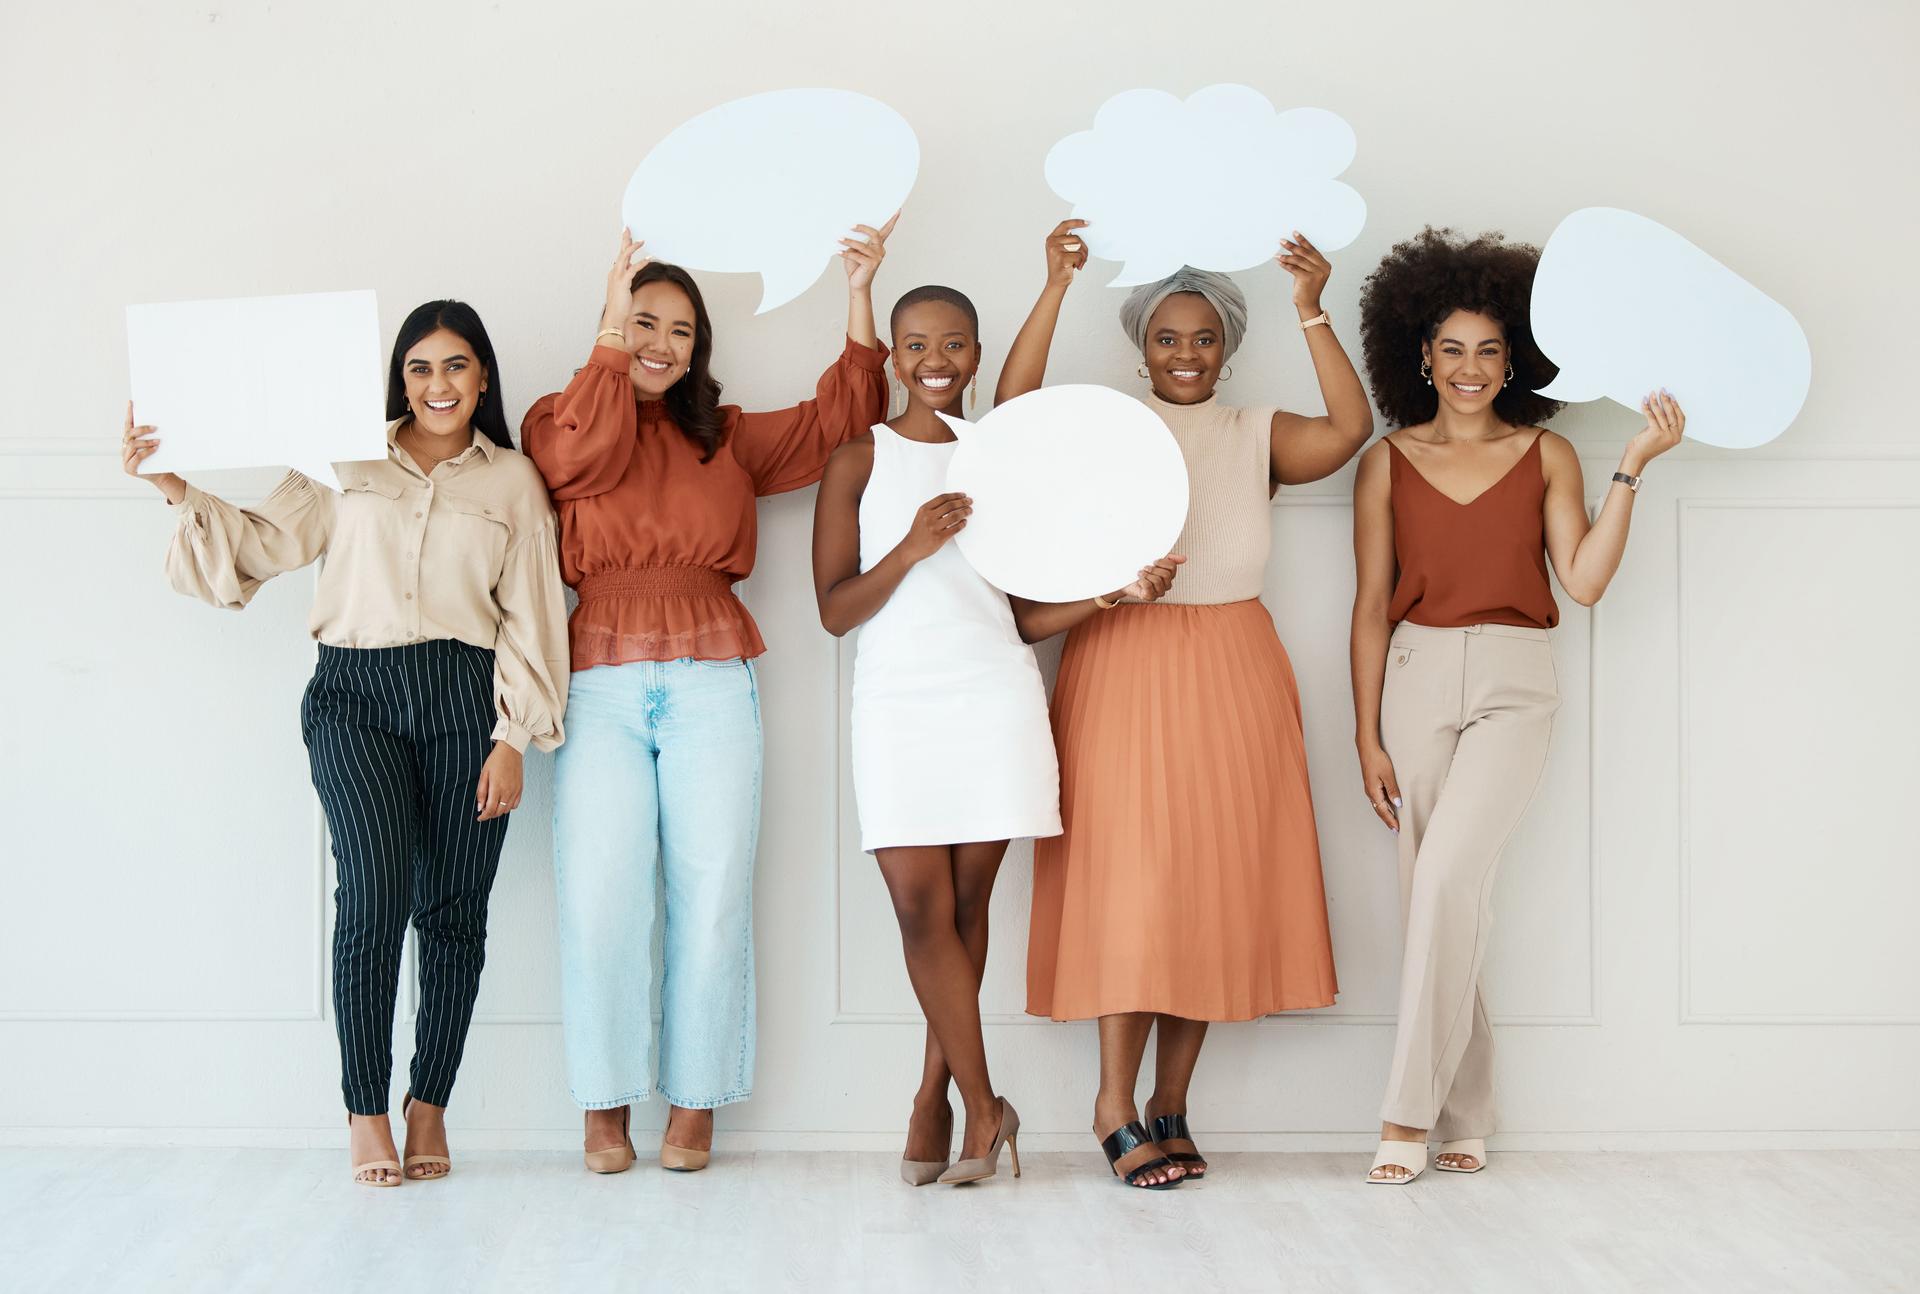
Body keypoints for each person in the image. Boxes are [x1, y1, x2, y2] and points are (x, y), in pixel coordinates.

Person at [124, 300, 568, 1186]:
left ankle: (428, 1103)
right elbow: (259, 546)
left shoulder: (513, 482)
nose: (437, 385)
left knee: (452, 915)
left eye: (454, 367)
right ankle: (365, 1110)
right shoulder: (346, 460)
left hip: (464, 702)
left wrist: (513, 736)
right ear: (399, 380)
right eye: (419, 368)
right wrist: (172, 486)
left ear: (482, 377)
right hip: (354, 696)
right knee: (371, 897)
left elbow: (534, 616)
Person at [1000, 220, 1372, 1188]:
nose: (1186, 354)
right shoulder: (1105, 428)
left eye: (1204, 337)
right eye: (1167, 338)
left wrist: (1313, 308)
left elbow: (1349, 429)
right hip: (1123, 659)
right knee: (1135, 880)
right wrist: (1053, 285)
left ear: (1229, 345)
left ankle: (1172, 1103)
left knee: (1211, 880)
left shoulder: (1256, 434)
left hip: (1237, 663)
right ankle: (1112, 1104)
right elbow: (1011, 413)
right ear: (1141, 347)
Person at [523, 221, 893, 1173]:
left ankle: (696, 1102)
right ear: (612, 324)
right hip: (598, 678)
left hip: (711, 677)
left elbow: (839, 422)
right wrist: (610, 328)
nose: (660, 342)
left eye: (680, 330)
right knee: (601, 895)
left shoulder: (725, 439)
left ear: (700, 350)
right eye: (642, 321)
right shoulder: (555, 419)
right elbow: (578, 461)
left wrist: (859, 289)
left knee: (714, 889)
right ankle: (605, 1104)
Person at [1351, 227, 1683, 1183]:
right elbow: (1370, 609)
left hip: (1514, 679)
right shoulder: (1386, 461)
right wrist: (1364, 731)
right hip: (1412, 677)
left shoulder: (1548, 455)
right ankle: (1469, 1109)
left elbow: (1580, 582)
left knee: (1450, 882)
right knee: (1430, 903)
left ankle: (1405, 1118)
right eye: (1451, 349)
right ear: (1421, 354)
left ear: (1514, 361)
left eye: (1489, 350)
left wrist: (1632, 467)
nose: (1469, 368)